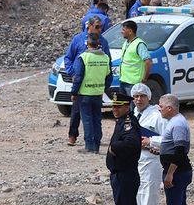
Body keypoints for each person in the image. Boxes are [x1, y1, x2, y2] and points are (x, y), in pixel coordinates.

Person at [99, 92, 142, 205]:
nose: (114, 109)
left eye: (118, 106)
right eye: (113, 106)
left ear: (126, 106)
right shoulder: (122, 121)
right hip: (123, 173)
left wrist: (114, 147)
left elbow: (132, 143)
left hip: (125, 174)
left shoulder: (128, 123)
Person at [151, 94, 192, 205]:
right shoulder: (176, 122)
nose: (159, 109)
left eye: (161, 106)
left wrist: (170, 173)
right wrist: (161, 151)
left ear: (169, 108)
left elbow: (180, 151)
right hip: (178, 171)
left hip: (177, 173)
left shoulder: (178, 124)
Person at [64, 16, 112, 146]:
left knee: (94, 116)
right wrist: (73, 74)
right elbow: (68, 58)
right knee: (76, 112)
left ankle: (92, 141)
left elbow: (108, 62)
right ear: (89, 26)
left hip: (95, 86)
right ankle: (72, 136)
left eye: (101, 27)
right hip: (80, 83)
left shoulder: (103, 42)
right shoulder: (78, 39)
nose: (100, 29)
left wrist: (105, 84)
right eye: (97, 27)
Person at [130, 83, 166, 205]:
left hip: (151, 162)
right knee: (137, 201)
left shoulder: (157, 115)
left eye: (142, 96)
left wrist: (151, 142)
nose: (139, 99)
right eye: (136, 96)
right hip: (135, 163)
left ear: (149, 97)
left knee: (149, 202)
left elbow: (168, 138)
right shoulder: (133, 115)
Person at [71, 33, 113, 153]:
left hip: (85, 94)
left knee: (87, 120)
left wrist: (74, 92)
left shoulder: (84, 57)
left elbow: (78, 77)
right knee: (97, 120)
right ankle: (96, 146)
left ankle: (89, 146)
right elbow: (109, 77)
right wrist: (103, 88)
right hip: (98, 94)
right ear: (99, 44)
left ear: (87, 43)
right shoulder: (105, 57)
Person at [118, 20, 152, 98]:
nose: (121, 32)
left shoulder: (139, 44)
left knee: (134, 104)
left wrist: (144, 79)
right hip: (124, 80)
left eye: (123, 30)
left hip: (134, 82)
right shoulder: (126, 43)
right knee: (124, 104)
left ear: (130, 31)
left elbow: (148, 62)